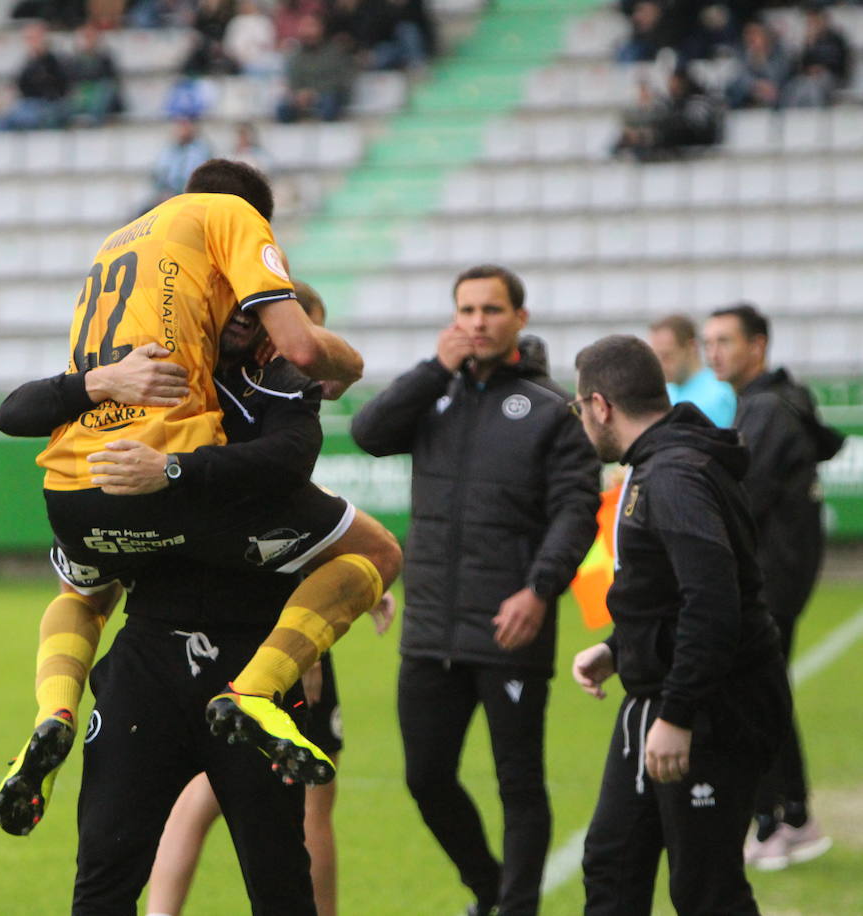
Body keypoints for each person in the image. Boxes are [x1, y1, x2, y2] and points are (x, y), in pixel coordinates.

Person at [0, 159, 400, 842]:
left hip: (76, 489)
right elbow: (301, 379)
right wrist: (347, 365)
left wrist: (98, 383)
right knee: (378, 552)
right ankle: (258, 688)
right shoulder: (234, 237)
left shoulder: (128, 253)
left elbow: (15, 411)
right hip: (180, 503)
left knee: (84, 593)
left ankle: (52, 711)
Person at [351, 264, 602, 916]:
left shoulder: (552, 409)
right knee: (425, 779)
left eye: (491, 310)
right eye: (466, 310)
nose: (477, 322)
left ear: (520, 317)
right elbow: (368, 434)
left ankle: (515, 909)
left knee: (518, 784)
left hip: (508, 624)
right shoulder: (436, 391)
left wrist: (539, 591)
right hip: (431, 624)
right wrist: (433, 369)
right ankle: (489, 892)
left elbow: (577, 512)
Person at [143, 286, 391, 916]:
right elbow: (287, 513)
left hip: (206, 620)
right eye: (314, 352)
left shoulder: (243, 405)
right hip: (273, 631)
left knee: (203, 788)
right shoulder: (270, 415)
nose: (320, 369)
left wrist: (358, 580)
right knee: (299, 796)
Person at [569, 334, 791, 916]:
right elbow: (671, 593)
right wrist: (621, 648)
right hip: (657, 698)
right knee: (612, 867)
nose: (581, 422)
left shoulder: (672, 475)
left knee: (706, 890)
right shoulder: (661, 465)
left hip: (712, 709)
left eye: (578, 409)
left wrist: (678, 713)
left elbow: (714, 603)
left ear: (600, 405)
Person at [703, 303, 844, 871]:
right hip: (782, 578)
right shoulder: (781, 401)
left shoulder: (765, 408)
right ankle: (793, 819)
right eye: (708, 341)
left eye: (725, 341)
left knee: (754, 698)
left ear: (757, 346)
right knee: (765, 694)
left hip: (767, 582)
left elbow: (742, 499)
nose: (714, 351)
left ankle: (773, 819)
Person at [647, 313, 735, 428]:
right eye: (656, 357)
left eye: (667, 356)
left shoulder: (720, 393)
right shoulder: (664, 393)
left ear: (691, 347)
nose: (660, 365)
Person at [0, 21, 70, 130]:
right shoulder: (27, 62)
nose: (31, 42)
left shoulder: (53, 61)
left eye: (34, 38)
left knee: (24, 117)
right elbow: (19, 85)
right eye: (28, 39)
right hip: (27, 104)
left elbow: (57, 88)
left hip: (47, 105)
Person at [277, 15, 355, 122]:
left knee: (329, 103)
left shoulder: (335, 52)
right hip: (303, 97)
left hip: (328, 96)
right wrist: (299, 94)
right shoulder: (296, 56)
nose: (307, 31)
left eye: (311, 26)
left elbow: (342, 81)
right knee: (282, 107)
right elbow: (293, 80)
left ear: (321, 28)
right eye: (304, 27)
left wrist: (315, 93)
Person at [782, 5, 852, 109]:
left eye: (815, 20)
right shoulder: (809, 41)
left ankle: (816, 118)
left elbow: (841, 63)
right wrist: (808, 46)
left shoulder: (836, 39)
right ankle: (791, 119)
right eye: (810, 21)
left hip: (832, 77)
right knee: (793, 87)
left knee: (813, 88)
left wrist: (822, 69)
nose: (813, 24)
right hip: (809, 78)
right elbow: (800, 67)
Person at [149, 116, 213, 209]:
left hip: (192, 196)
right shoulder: (168, 150)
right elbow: (158, 175)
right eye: (180, 127)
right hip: (168, 196)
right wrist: (162, 192)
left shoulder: (202, 150)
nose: (182, 130)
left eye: (185, 126)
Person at [66, 23, 123, 126]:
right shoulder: (73, 61)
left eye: (91, 37)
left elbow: (111, 80)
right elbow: (71, 81)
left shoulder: (105, 58)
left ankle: (94, 120)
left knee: (105, 88)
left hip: (100, 95)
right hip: (82, 96)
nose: (88, 40)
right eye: (85, 37)